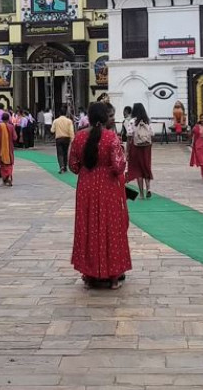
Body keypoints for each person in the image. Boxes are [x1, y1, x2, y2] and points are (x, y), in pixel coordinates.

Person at [70, 101, 132, 289]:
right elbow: (119, 166)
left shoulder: (79, 137)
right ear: (104, 117)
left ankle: (89, 274)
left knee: (88, 227)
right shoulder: (111, 137)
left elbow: (73, 166)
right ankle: (113, 276)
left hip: (86, 187)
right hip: (108, 188)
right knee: (110, 227)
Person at [125, 103, 155, 199]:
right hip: (147, 147)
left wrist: (127, 151)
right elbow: (152, 134)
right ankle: (148, 188)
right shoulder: (147, 121)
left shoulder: (132, 121)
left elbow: (129, 137)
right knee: (146, 166)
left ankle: (141, 194)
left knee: (138, 169)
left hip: (136, 146)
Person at [0, 112, 17, 186]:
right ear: (8, 119)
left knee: (2, 164)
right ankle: (9, 176)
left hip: (1, 149)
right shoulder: (11, 127)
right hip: (9, 149)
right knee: (9, 164)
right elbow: (15, 137)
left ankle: (5, 180)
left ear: (2, 119)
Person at [53, 108, 75, 173]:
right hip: (66, 138)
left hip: (59, 138)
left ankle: (61, 166)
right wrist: (72, 139)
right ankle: (65, 166)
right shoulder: (69, 121)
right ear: (66, 113)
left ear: (59, 113)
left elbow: (52, 130)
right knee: (65, 152)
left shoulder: (56, 121)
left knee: (60, 153)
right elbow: (71, 131)